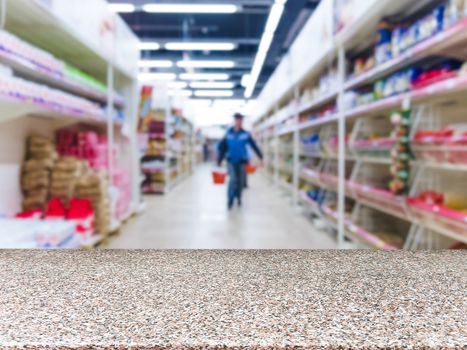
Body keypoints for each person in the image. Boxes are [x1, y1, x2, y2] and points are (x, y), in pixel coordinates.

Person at [217, 113, 263, 209]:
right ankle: (230, 200)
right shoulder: (228, 133)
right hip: (231, 160)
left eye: (240, 120)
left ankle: (238, 198)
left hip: (242, 161)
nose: (238, 122)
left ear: (242, 122)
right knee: (232, 180)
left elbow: (253, 145)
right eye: (237, 120)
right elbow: (223, 147)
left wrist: (260, 156)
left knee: (241, 181)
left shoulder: (246, 134)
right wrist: (219, 159)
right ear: (235, 121)